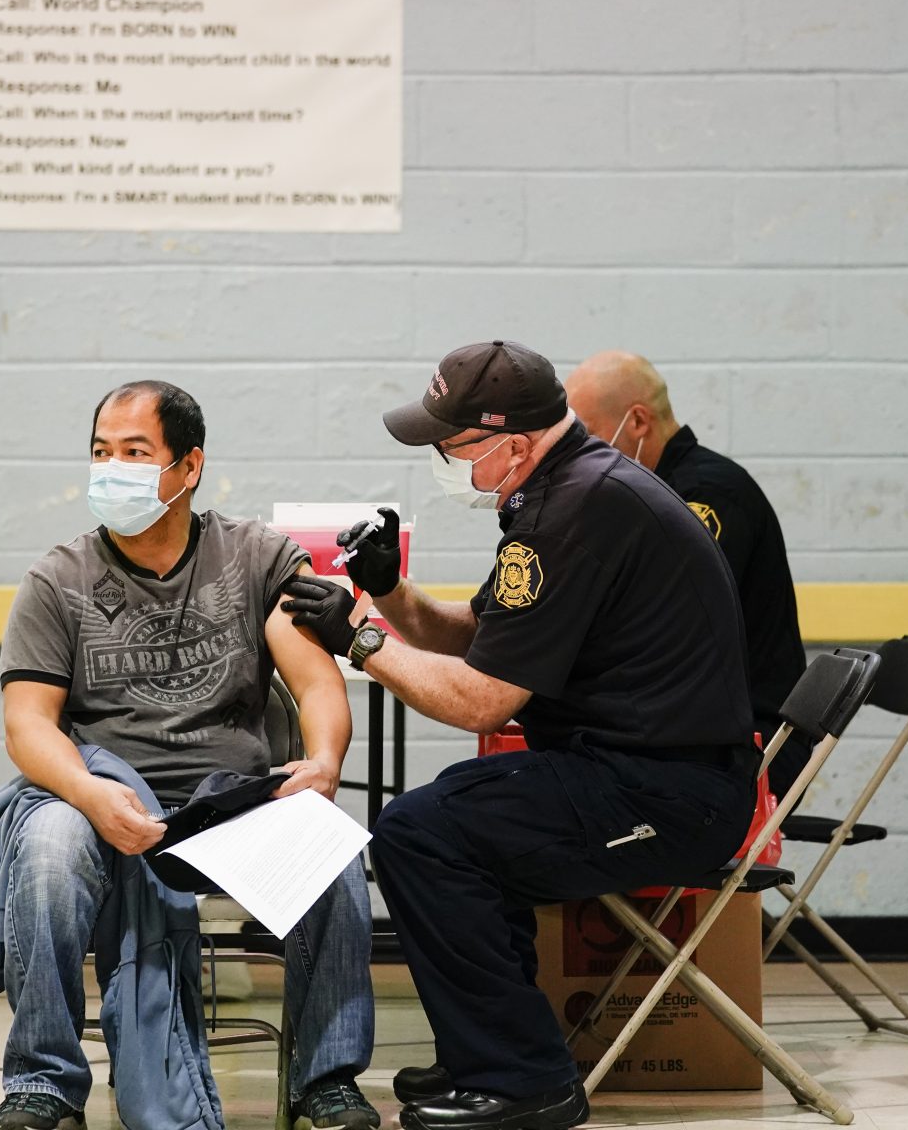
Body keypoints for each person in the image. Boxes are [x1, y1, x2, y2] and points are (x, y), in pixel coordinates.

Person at [280, 341, 756, 1130]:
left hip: (671, 795)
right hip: (624, 770)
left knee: (423, 834)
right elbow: (480, 635)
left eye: (451, 444)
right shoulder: (567, 490)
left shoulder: (577, 508)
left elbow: (481, 702)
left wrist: (360, 640)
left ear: (515, 443)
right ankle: (488, 1051)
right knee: (440, 818)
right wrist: (389, 591)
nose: (441, 458)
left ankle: (526, 1079)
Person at [0, 380, 378, 1130]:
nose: (112, 469)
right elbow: (28, 726)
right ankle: (43, 1081)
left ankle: (327, 1079)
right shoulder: (56, 581)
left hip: (229, 800)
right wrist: (92, 798)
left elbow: (317, 683)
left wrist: (322, 763)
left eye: (135, 453)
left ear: (189, 467)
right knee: (44, 853)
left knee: (329, 850)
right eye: (101, 453)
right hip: (97, 796)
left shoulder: (258, 558)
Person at [565, 350, 810, 796]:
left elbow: (664, 625)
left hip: (748, 744)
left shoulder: (705, 495)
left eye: (590, 435)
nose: (578, 454)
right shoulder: (652, 493)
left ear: (637, 422)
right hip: (697, 733)